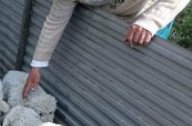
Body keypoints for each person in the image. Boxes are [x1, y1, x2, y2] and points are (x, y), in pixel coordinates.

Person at [22, 0, 190, 98]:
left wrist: (152, 21)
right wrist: (37, 65)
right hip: (115, 12)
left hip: (149, 15)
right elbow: (55, 21)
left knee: (142, 84)